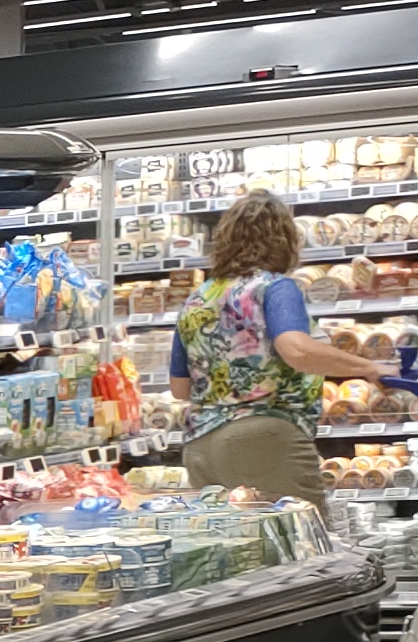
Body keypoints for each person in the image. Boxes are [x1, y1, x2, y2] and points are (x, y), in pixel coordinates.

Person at [167, 189, 401, 502]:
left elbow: (180, 388)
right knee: (299, 531)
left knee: (233, 533)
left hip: (202, 447)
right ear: (285, 240)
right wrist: (369, 367)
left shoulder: (198, 298)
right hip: (264, 439)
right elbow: (297, 350)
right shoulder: (275, 288)